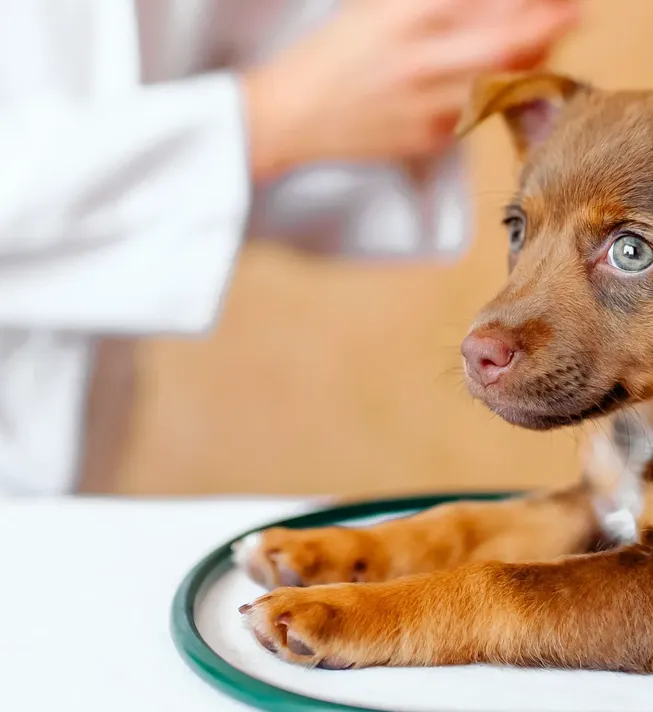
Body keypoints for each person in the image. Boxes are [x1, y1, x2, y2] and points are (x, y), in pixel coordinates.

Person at [0, 0, 580, 496]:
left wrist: (431, 61)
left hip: (78, 472)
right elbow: (261, 118)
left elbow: (249, 94)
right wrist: (262, 119)